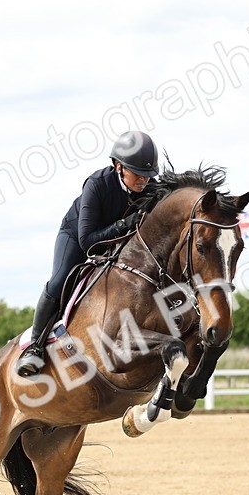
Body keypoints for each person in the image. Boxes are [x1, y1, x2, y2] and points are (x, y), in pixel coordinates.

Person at [14, 130, 160, 377]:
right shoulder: (97, 184)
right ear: (118, 166)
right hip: (78, 236)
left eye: (148, 175)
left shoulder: (150, 188)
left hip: (118, 243)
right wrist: (125, 224)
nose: (144, 180)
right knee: (60, 280)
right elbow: (88, 241)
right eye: (138, 173)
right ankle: (35, 348)